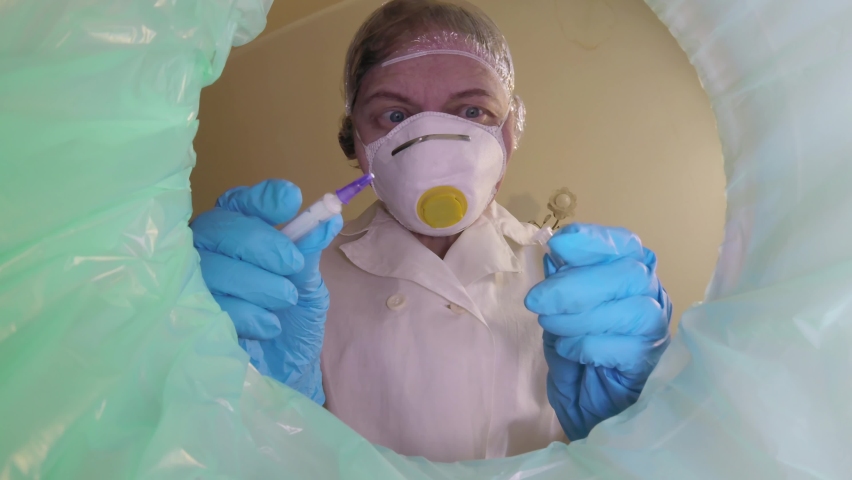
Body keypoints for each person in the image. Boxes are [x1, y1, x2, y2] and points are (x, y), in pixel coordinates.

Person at [190, 0, 671, 462]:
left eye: (470, 112)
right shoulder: (296, 284)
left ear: (506, 133)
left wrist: (637, 417)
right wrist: (249, 396)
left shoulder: (573, 280)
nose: (432, 143)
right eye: (395, 116)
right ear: (357, 141)